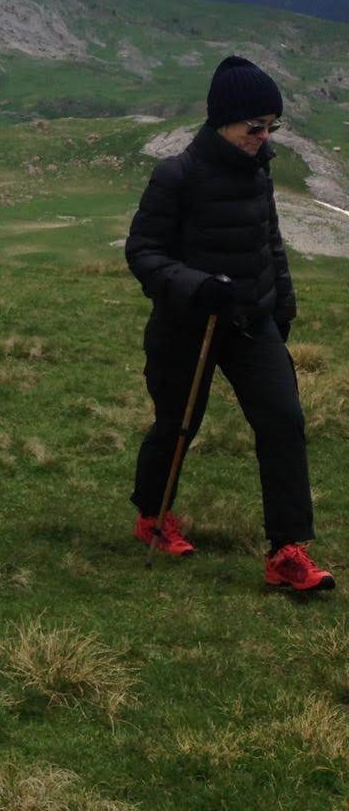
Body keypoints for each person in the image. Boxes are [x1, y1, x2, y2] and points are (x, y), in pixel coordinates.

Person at [125, 55, 332, 592]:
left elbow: (270, 246)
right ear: (223, 121)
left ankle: (288, 551)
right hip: (186, 324)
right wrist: (198, 286)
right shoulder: (178, 175)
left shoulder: (259, 173)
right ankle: (152, 516)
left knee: (283, 422)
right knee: (177, 424)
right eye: (254, 128)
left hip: (250, 321)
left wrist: (282, 307)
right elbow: (143, 253)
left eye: (271, 128)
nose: (263, 138)